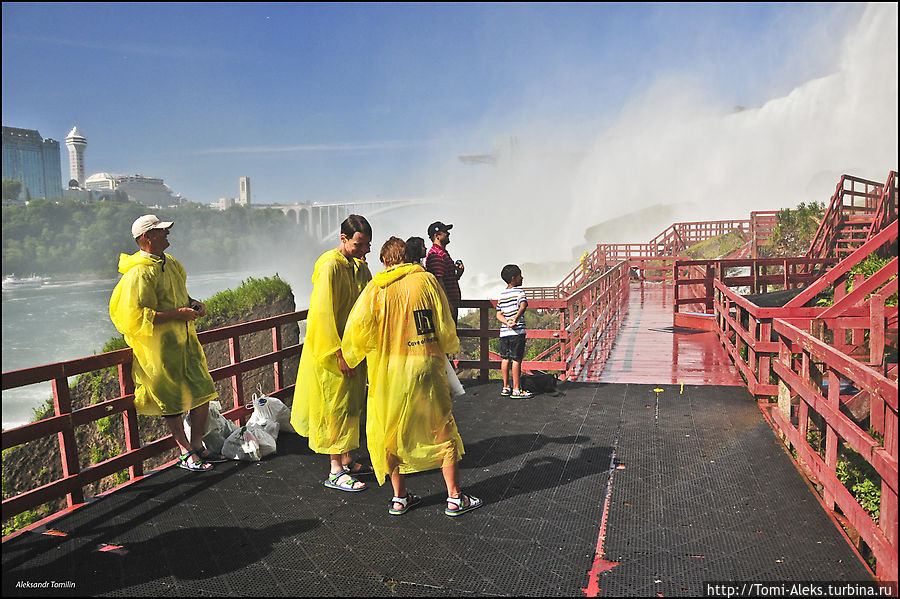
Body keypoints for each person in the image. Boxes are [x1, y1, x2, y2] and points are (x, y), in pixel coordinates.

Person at [342, 237, 483, 517]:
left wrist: (351, 358)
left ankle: (400, 498)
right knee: (442, 427)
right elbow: (444, 321)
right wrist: (444, 347)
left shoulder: (376, 288)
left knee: (392, 432)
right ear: (409, 257)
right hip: (426, 365)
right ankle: (455, 498)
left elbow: (358, 332)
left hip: (390, 372)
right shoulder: (427, 281)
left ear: (385, 261)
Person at [109, 214, 226, 472]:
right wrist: (178, 314)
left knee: (202, 389)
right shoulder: (139, 273)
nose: (167, 234)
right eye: (161, 231)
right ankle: (186, 451)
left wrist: (193, 303)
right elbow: (135, 316)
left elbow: (181, 296)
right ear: (146, 238)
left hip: (185, 343)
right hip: (159, 349)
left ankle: (197, 444)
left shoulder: (171, 263)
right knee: (170, 399)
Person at [290, 214, 375, 493]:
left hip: (352, 350)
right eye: (359, 244)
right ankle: (335, 469)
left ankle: (347, 459)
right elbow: (322, 316)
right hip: (333, 353)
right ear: (343, 239)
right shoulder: (330, 266)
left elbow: (366, 301)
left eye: (367, 246)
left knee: (351, 405)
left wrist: (364, 267)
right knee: (335, 407)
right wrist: (338, 353)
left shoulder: (355, 265)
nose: (364, 250)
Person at [496, 264, 533, 399]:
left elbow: (498, 314)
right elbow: (523, 306)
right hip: (517, 332)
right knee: (516, 360)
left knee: (505, 359)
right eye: (520, 276)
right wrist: (515, 319)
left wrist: (507, 322)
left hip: (505, 332)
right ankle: (517, 389)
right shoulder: (520, 292)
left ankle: (506, 387)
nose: (522, 278)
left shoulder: (501, 294)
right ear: (514, 278)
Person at [425, 221, 463, 324]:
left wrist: (458, 275)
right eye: (445, 231)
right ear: (437, 236)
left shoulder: (442, 253)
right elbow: (438, 282)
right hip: (446, 308)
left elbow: (444, 279)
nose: (448, 234)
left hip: (450, 305)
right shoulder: (436, 255)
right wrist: (448, 305)